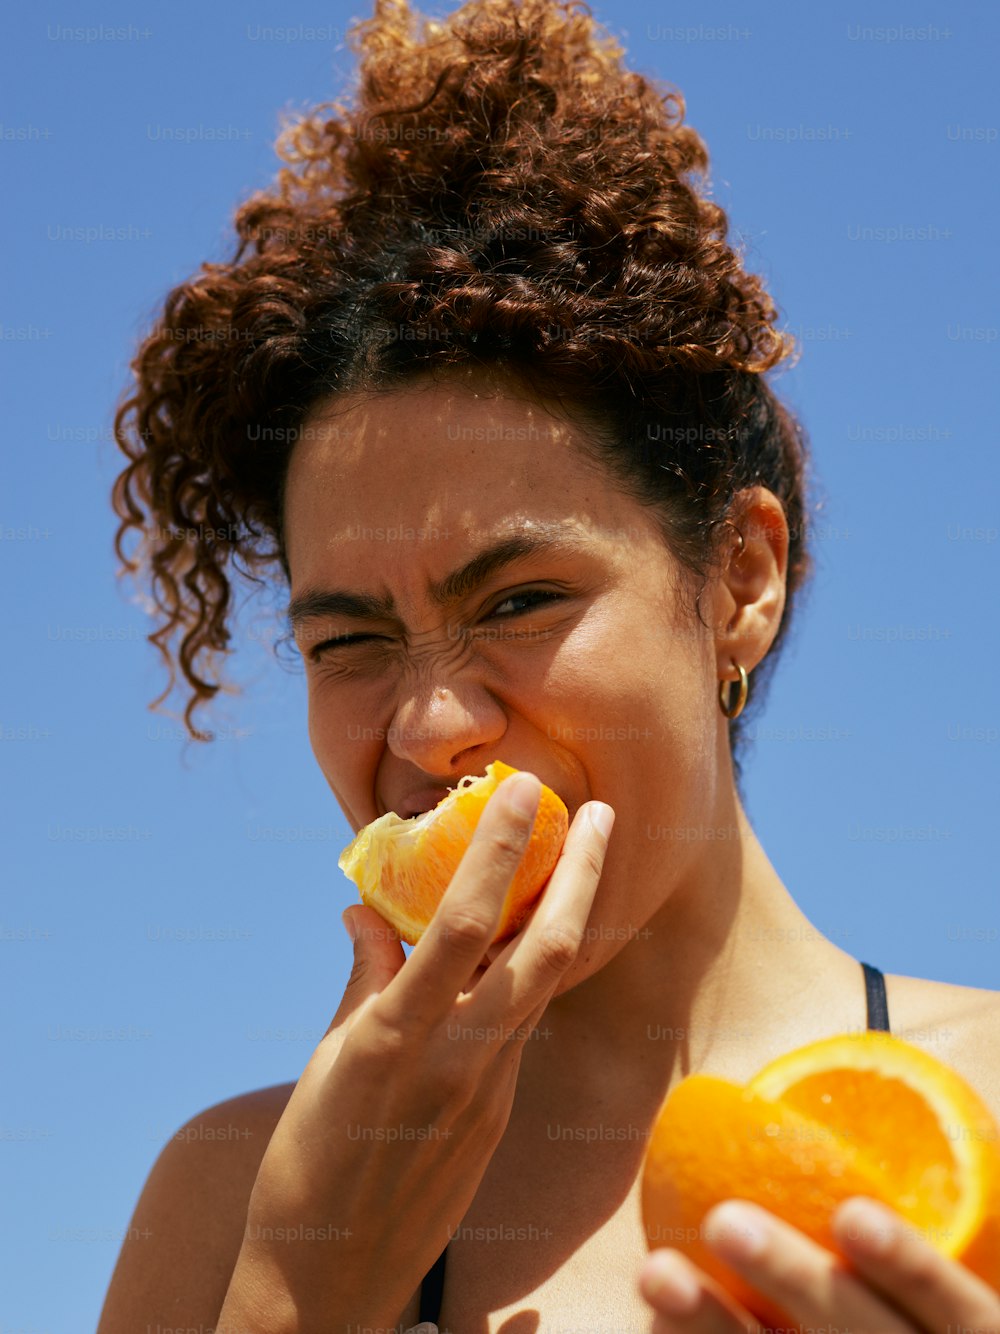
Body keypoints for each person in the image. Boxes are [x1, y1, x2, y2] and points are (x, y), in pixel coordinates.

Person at [99, 0, 1000, 1330]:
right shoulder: (231, 1199)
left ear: (740, 580)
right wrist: (308, 1288)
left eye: (519, 597)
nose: (434, 724)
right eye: (349, 640)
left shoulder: (976, 1115)